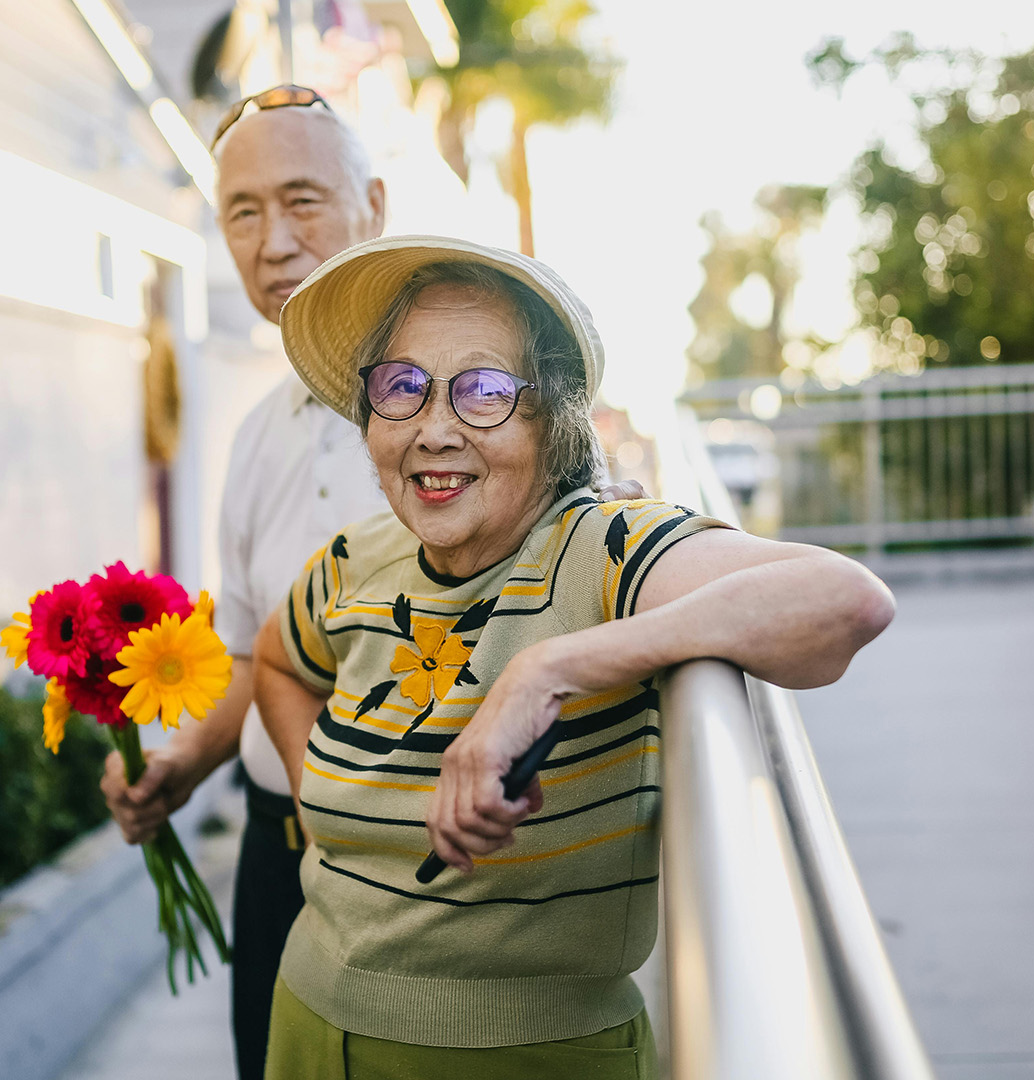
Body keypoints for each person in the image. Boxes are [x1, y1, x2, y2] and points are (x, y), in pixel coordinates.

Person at [251, 236, 896, 1079]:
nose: (434, 429)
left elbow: (845, 602)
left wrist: (549, 669)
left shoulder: (603, 550)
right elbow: (275, 662)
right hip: (303, 1021)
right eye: (402, 386)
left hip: (529, 1057)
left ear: (551, 420)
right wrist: (331, 814)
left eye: (483, 391)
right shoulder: (350, 562)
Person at [98, 89, 642, 1080]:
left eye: (302, 199)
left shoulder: (478, 423)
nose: (271, 241)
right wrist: (183, 763)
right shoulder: (256, 435)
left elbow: (603, 562)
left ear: (375, 203)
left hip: (457, 884)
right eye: (242, 211)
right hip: (286, 859)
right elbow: (259, 644)